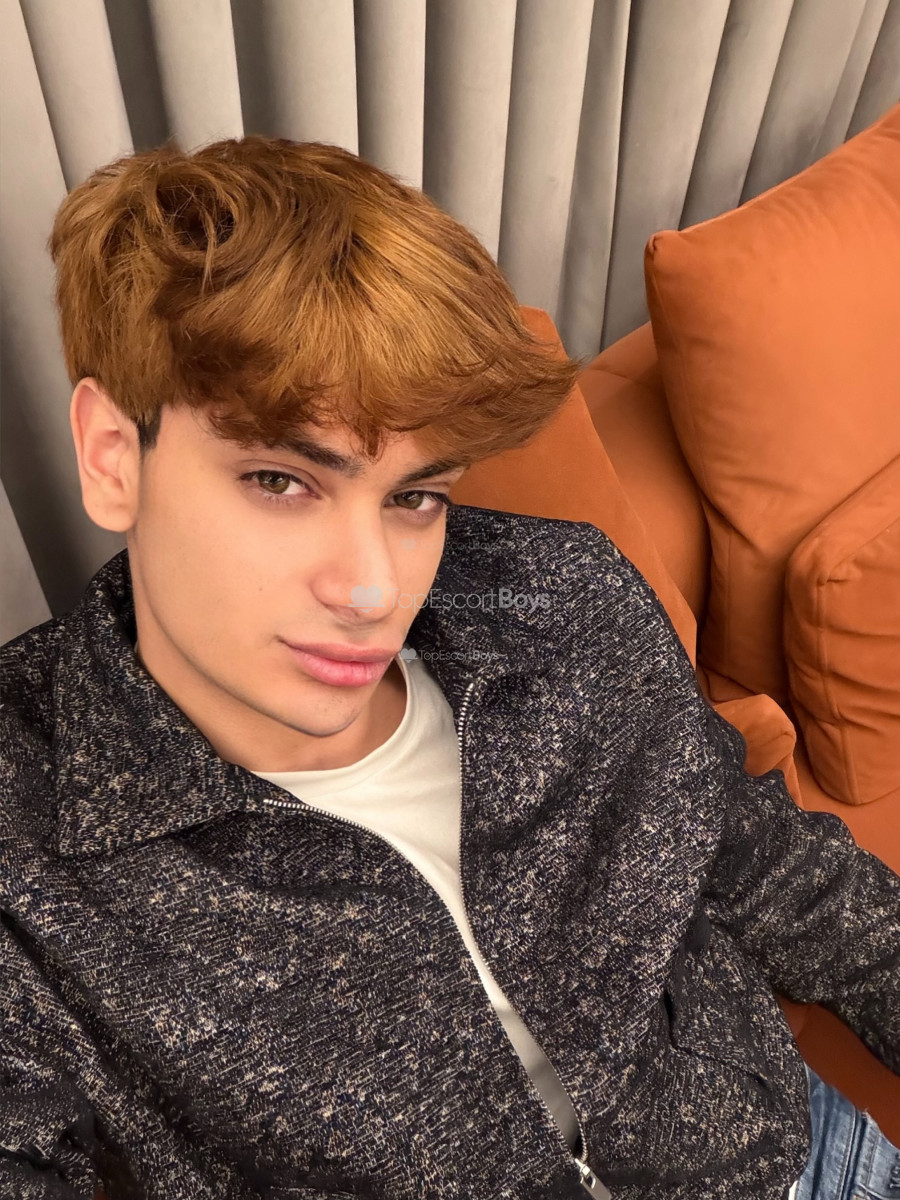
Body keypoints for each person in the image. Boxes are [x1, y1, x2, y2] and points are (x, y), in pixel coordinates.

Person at [1, 135, 898, 1200]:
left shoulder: (563, 603)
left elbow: (770, 867)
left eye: (415, 496)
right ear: (113, 456)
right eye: (281, 480)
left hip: (804, 1162)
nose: (374, 589)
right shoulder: (22, 840)